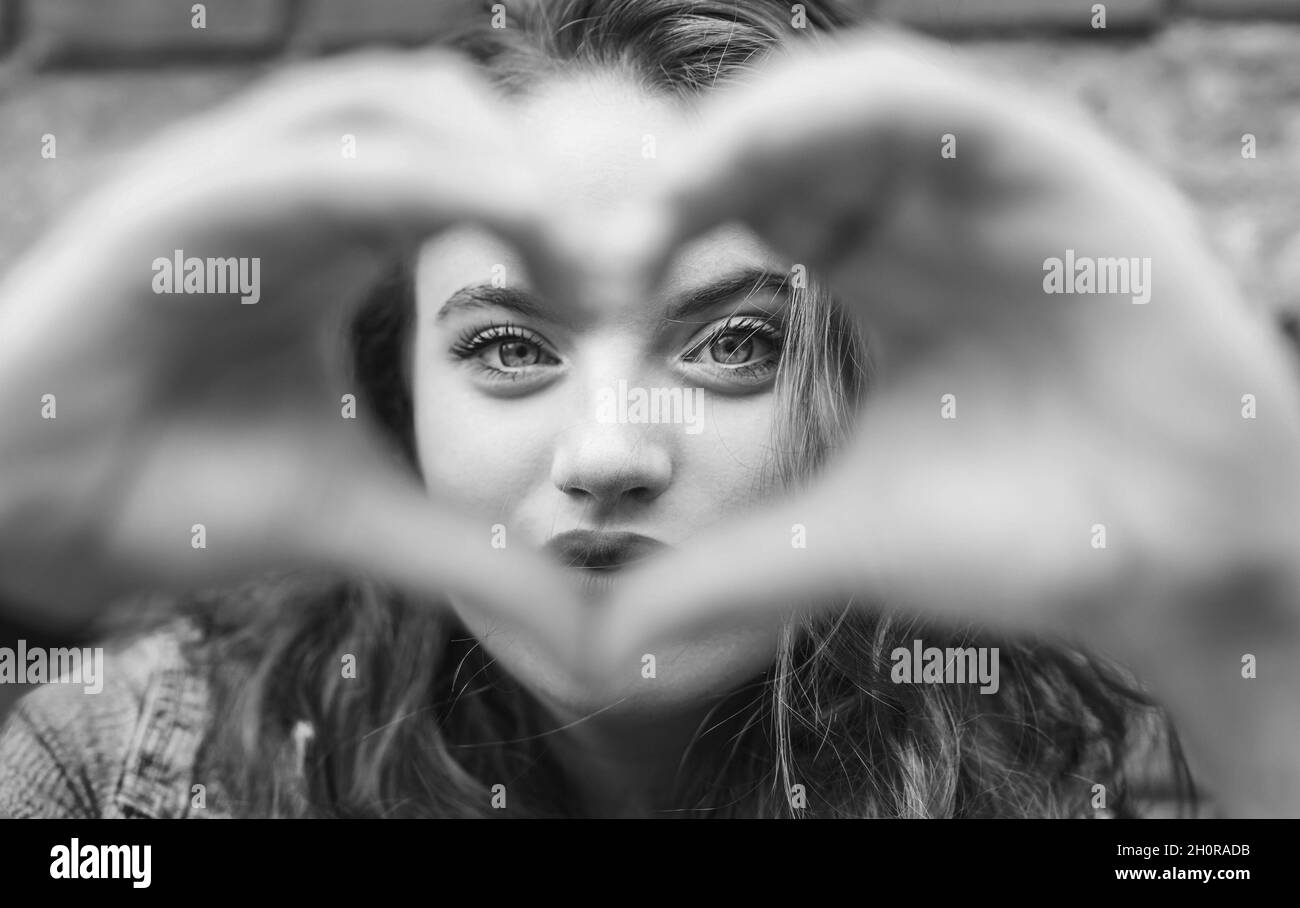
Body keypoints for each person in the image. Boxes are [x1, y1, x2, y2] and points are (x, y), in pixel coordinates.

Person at [0, 0, 1296, 818]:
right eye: (509, 347)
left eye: (733, 342)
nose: (610, 449)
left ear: (866, 398)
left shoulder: (1118, 767)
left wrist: (1259, 623)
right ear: (397, 403)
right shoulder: (123, 772)